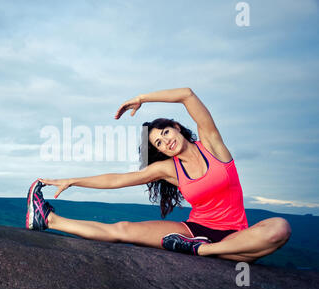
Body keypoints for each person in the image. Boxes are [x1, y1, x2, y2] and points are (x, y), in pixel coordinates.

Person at [26, 87, 291, 262]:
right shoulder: (169, 169)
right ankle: (49, 219)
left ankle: (204, 250)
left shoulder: (213, 145)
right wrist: (72, 180)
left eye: (165, 133)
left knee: (280, 228)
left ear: (176, 127)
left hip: (235, 237)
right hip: (191, 230)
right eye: (159, 144)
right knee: (123, 230)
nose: (166, 142)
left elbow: (187, 95)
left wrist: (142, 98)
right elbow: (118, 180)